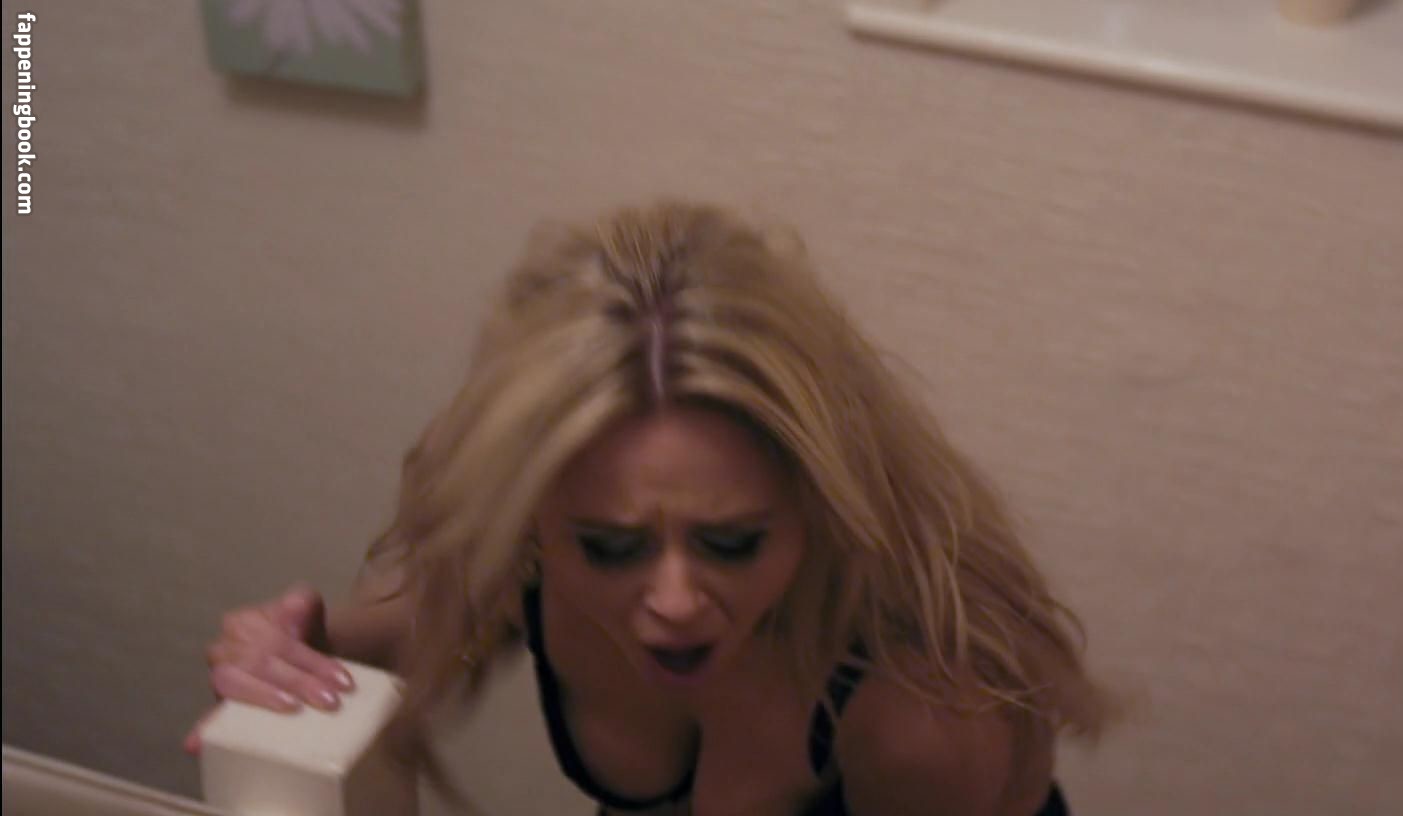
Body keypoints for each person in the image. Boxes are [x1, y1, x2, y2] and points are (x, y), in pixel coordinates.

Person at [185, 201, 1113, 815]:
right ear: (532, 517)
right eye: (609, 547)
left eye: (732, 543)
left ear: (820, 505)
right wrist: (292, 653)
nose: (674, 601)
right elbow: (400, 636)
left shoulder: (918, 715)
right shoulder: (518, 558)